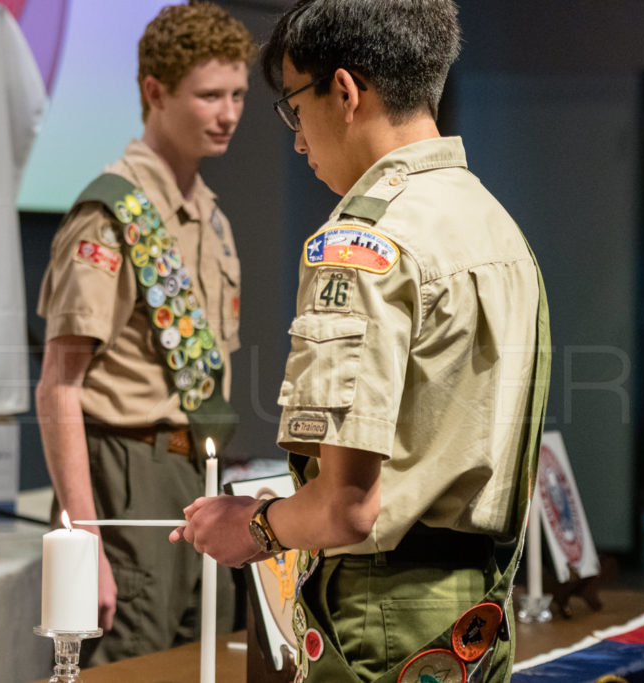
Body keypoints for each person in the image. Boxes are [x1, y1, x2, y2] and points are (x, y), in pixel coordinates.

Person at [171, 1, 551, 681]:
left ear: (345, 91)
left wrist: (253, 525)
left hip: (382, 623)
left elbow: (348, 507)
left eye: (293, 105)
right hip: (481, 611)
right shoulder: (495, 225)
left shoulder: (362, 241)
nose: (296, 139)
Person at [35, 1, 255, 665]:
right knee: (128, 661)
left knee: (200, 659)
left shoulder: (206, 214)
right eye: (209, 95)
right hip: (124, 471)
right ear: (154, 92)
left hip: (196, 469)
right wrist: (85, 540)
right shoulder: (110, 214)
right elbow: (58, 387)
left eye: (239, 94)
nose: (228, 113)